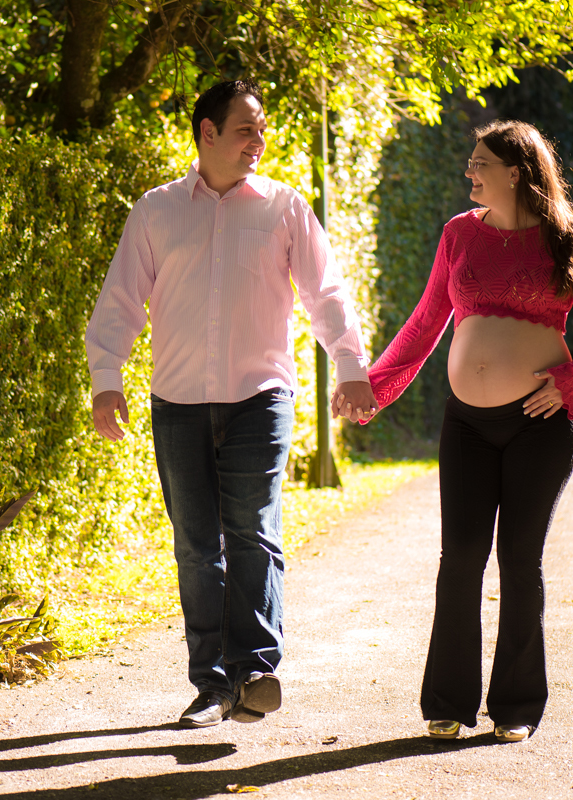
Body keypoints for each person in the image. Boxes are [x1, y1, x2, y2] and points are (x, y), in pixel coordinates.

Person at [85, 79, 377, 729]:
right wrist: (107, 377)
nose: (259, 138)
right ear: (206, 133)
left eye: (262, 127)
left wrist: (352, 367)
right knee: (196, 544)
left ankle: (255, 669)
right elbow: (121, 302)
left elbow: (325, 295)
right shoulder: (157, 212)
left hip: (260, 398)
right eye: (245, 127)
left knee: (253, 529)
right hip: (178, 403)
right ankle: (212, 685)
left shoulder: (283, 208)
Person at [334, 119, 573, 742]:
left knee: (520, 559)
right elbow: (426, 322)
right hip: (465, 422)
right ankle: (448, 702)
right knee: (460, 558)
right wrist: (373, 387)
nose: (470, 173)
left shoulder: (569, 241)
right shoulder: (458, 235)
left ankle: (515, 708)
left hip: (539, 425)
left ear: (515, 171)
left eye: (479, 163)